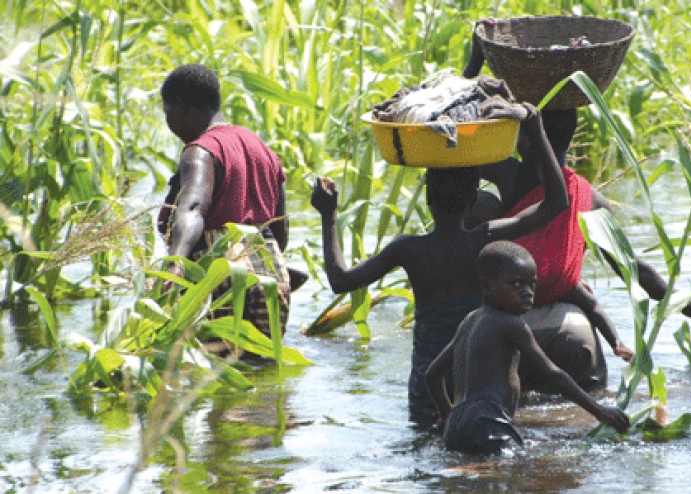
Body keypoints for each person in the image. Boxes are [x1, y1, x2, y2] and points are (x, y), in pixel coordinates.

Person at [463, 32, 691, 393]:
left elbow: (455, 134)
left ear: (526, 138)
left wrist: (476, 61)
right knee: (587, 400)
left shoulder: (510, 176)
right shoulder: (591, 199)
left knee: (479, 203)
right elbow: (633, 268)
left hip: (502, 315)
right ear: (570, 139)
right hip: (567, 329)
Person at [311, 104, 568, 429]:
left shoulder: (409, 249)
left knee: (425, 446)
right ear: (473, 200)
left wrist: (328, 214)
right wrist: (537, 131)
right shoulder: (484, 238)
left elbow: (340, 279)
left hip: (426, 384)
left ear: (428, 199)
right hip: (475, 379)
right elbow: (557, 203)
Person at [425, 241, 630, 454]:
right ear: (486, 286)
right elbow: (553, 375)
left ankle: (472, 468)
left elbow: (432, 375)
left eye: (532, 284)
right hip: (490, 424)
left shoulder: (469, 321)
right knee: (505, 469)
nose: (527, 292)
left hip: (456, 426)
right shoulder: (511, 324)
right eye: (515, 284)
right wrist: (599, 411)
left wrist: (447, 413)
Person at [157, 63, 292, 360]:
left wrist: (175, 264)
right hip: (273, 283)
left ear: (181, 107)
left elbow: (193, 208)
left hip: (225, 277)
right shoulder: (264, 151)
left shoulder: (201, 150)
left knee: (212, 374)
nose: (168, 123)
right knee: (260, 373)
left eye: (168, 112)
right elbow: (280, 231)